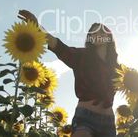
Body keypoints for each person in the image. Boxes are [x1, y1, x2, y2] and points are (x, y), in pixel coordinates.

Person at [18, 9, 120, 137]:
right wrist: (37, 27)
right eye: (93, 33)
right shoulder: (81, 56)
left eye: (101, 31)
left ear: (109, 36)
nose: (97, 34)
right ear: (90, 39)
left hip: (109, 123)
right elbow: (57, 45)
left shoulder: (117, 68)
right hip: (86, 118)